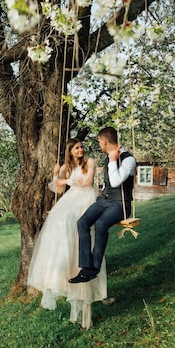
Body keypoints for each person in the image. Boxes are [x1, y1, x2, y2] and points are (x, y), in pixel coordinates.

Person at [27, 138, 108, 328]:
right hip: (70, 199)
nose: (80, 150)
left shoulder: (90, 163)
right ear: (70, 151)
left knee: (74, 221)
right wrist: (56, 176)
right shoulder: (66, 167)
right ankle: (61, 263)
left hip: (85, 199)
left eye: (81, 147)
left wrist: (65, 179)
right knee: (60, 220)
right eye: (76, 148)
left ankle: (81, 271)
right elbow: (59, 188)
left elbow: (87, 183)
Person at [69, 126, 136, 284]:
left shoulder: (128, 159)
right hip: (104, 200)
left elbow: (116, 181)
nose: (99, 144)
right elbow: (108, 184)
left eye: (99, 142)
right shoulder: (107, 158)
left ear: (104, 141)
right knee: (82, 222)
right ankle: (85, 267)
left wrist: (113, 160)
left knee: (101, 224)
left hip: (120, 204)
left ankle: (94, 268)